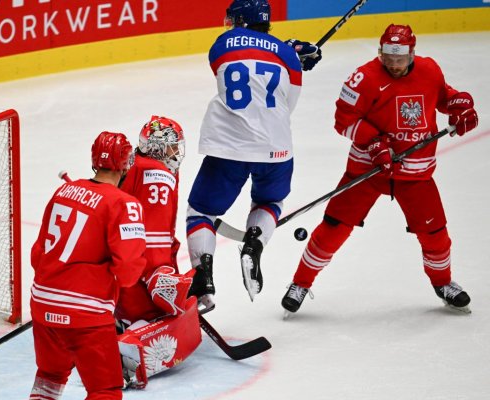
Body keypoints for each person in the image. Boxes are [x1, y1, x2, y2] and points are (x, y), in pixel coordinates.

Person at [281, 24, 479, 315]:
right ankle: (300, 283)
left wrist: (459, 107)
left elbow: (443, 97)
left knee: (436, 234)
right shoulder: (362, 78)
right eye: (388, 57)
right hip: (367, 172)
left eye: (400, 58)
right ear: (380, 52)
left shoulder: (430, 70)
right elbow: (343, 120)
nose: (394, 64)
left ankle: (444, 283)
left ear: (412, 53)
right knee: (333, 228)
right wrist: (374, 143)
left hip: (416, 174)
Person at [185, 0, 322, 310]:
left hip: (228, 146)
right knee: (269, 202)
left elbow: (237, 65)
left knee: (201, 212)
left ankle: (202, 277)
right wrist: (292, 56)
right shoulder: (288, 56)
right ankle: (255, 243)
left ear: (242, 21)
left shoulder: (220, 46)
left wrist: (285, 50)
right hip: (276, 147)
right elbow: (288, 103)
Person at [29, 131, 146, 400]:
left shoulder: (64, 190)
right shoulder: (123, 204)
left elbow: (38, 254)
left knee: (50, 377)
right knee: (104, 390)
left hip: (43, 305)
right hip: (85, 314)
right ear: (126, 164)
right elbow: (128, 272)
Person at [115, 116, 201, 388]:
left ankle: (119, 321)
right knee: (160, 316)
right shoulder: (158, 176)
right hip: (136, 271)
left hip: (115, 267)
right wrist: (159, 274)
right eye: (173, 147)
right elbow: (152, 237)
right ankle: (129, 340)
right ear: (159, 148)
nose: (177, 153)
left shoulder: (134, 164)